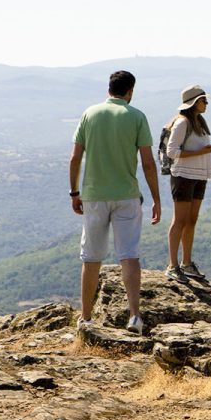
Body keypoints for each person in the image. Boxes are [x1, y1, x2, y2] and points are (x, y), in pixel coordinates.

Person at [68, 70, 161, 335]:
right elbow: (147, 163)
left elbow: (75, 158)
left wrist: (74, 193)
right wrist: (156, 198)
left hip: (94, 195)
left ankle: (85, 319)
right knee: (129, 254)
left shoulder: (90, 114)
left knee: (91, 257)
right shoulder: (136, 116)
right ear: (130, 90)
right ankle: (134, 317)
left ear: (109, 88)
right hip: (127, 195)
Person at [163, 85, 211, 283]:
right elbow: (172, 152)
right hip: (183, 176)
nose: (206, 104)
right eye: (204, 100)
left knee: (191, 221)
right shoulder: (182, 123)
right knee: (179, 221)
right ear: (194, 102)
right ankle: (173, 265)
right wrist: (202, 152)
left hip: (198, 176)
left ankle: (186, 263)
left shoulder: (198, 121)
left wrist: (204, 151)